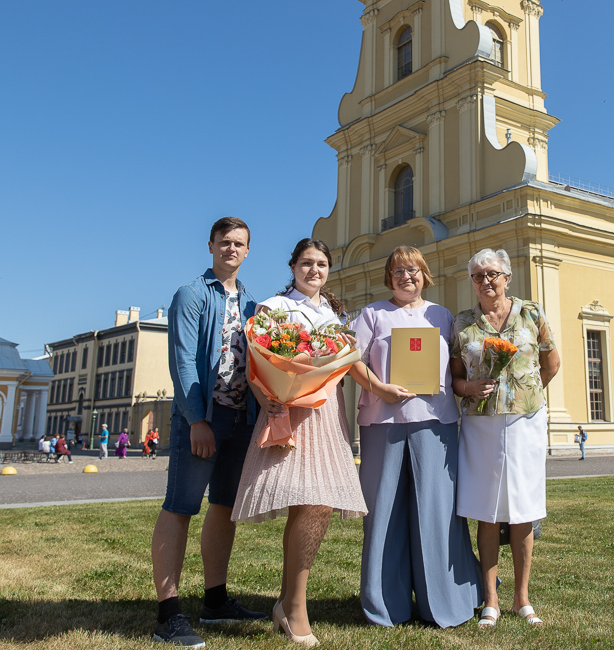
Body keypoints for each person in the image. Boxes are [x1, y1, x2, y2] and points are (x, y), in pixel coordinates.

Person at [231, 238, 370, 646]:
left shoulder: (334, 313)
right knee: (307, 501)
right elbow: (255, 361)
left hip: (327, 415)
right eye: (307, 263)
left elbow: (350, 362)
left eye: (322, 264)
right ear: (292, 266)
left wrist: (379, 386)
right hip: (287, 411)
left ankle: (289, 602)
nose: (314, 270)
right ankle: (294, 608)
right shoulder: (275, 308)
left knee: (320, 504)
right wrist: (268, 400)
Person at [345, 245, 482, 628]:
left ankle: (446, 600)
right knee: (383, 512)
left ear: (425, 274)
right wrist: (381, 388)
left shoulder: (442, 315)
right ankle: (385, 605)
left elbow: (456, 368)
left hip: (436, 422)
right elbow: (351, 362)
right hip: (381, 421)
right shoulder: (371, 315)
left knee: (438, 512)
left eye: (414, 270)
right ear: (389, 277)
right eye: (399, 271)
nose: (407, 277)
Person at [151, 216, 267, 648]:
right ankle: (168, 614)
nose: (231, 249)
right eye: (224, 242)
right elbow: (182, 361)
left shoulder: (255, 305)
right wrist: (197, 419)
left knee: (223, 507)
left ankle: (215, 601)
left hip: (241, 419)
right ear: (211, 246)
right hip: (202, 417)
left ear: (248, 251)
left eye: (239, 243)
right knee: (180, 507)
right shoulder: (192, 295)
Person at [451, 248, 561, 629]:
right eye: (478, 276)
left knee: (523, 509)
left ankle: (523, 599)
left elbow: (552, 362)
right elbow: (453, 376)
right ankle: (491, 600)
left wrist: (526, 393)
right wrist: (467, 388)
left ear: (507, 277)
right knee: (486, 509)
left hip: (525, 423)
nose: (486, 281)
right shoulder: (463, 323)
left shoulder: (531, 313)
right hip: (481, 424)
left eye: (493, 274)